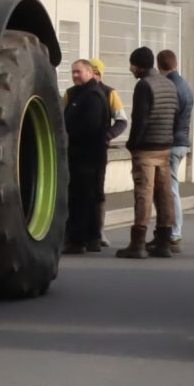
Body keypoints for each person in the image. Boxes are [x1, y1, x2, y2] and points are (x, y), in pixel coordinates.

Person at [117, 46, 181, 259]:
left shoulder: (144, 86)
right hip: (165, 146)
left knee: (143, 193)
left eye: (132, 65)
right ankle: (164, 242)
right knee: (165, 194)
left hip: (146, 148)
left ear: (138, 66)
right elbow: (176, 113)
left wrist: (132, 144)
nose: (130, 69)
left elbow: (140, 119)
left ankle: (138, 244)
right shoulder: (169, 84)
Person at [61, 59, 124, 253]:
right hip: (78, 155)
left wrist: (106, 137)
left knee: (87, 197)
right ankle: (87, 238)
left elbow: (93, 126)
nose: (75, 75)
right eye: (73, 72)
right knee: (81, 197)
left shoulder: (96, 95)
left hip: (88, 156)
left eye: (78, 72)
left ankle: (84, 239)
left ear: (91, 73)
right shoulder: (73, 93)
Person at [157, 49, 194, 252]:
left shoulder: (170, 86)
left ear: (159, 65)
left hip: (172, 142)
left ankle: (174, 233)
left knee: (170, 190)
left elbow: (168, 115)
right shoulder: (185, 85)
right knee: (172, 188)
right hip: (182, 141)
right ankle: (173, 232)